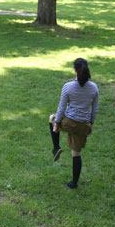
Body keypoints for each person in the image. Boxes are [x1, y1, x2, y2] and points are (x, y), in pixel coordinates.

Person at [48, 58, 99, 189]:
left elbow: (61, 108)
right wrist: (91, 124)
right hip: (83, 125)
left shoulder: (68, 87)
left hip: (68, 123)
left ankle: (56, 148)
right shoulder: (94, 88)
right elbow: (95, 109)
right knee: (76, 153)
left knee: (51, 117)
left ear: (75, 70)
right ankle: (74, 183)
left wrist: (56, 124)